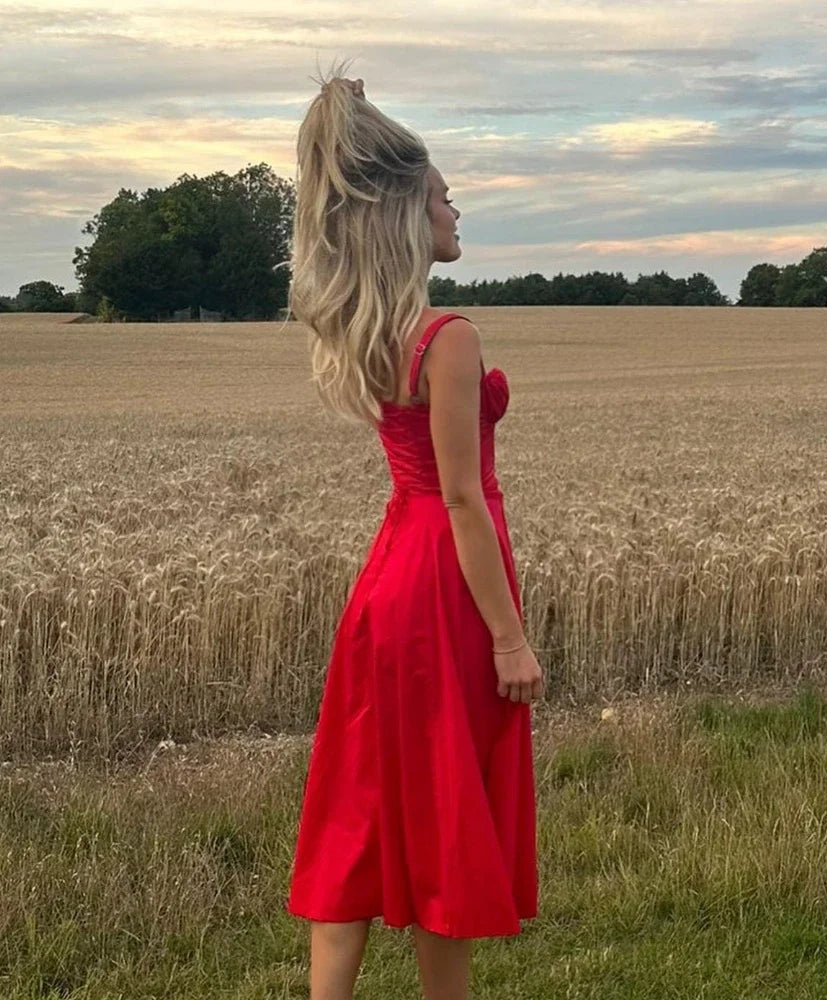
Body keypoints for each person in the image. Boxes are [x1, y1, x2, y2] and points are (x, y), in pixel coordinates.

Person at [284, 60, 544, 1000]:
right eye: (442, 194)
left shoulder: (370, 333)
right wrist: (510, 638)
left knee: (358, 801)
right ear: (407, 212)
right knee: (444, 805)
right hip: (445, 585)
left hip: (386, 579)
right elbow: (466, 499)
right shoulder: (448, 335)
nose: (457, 208)